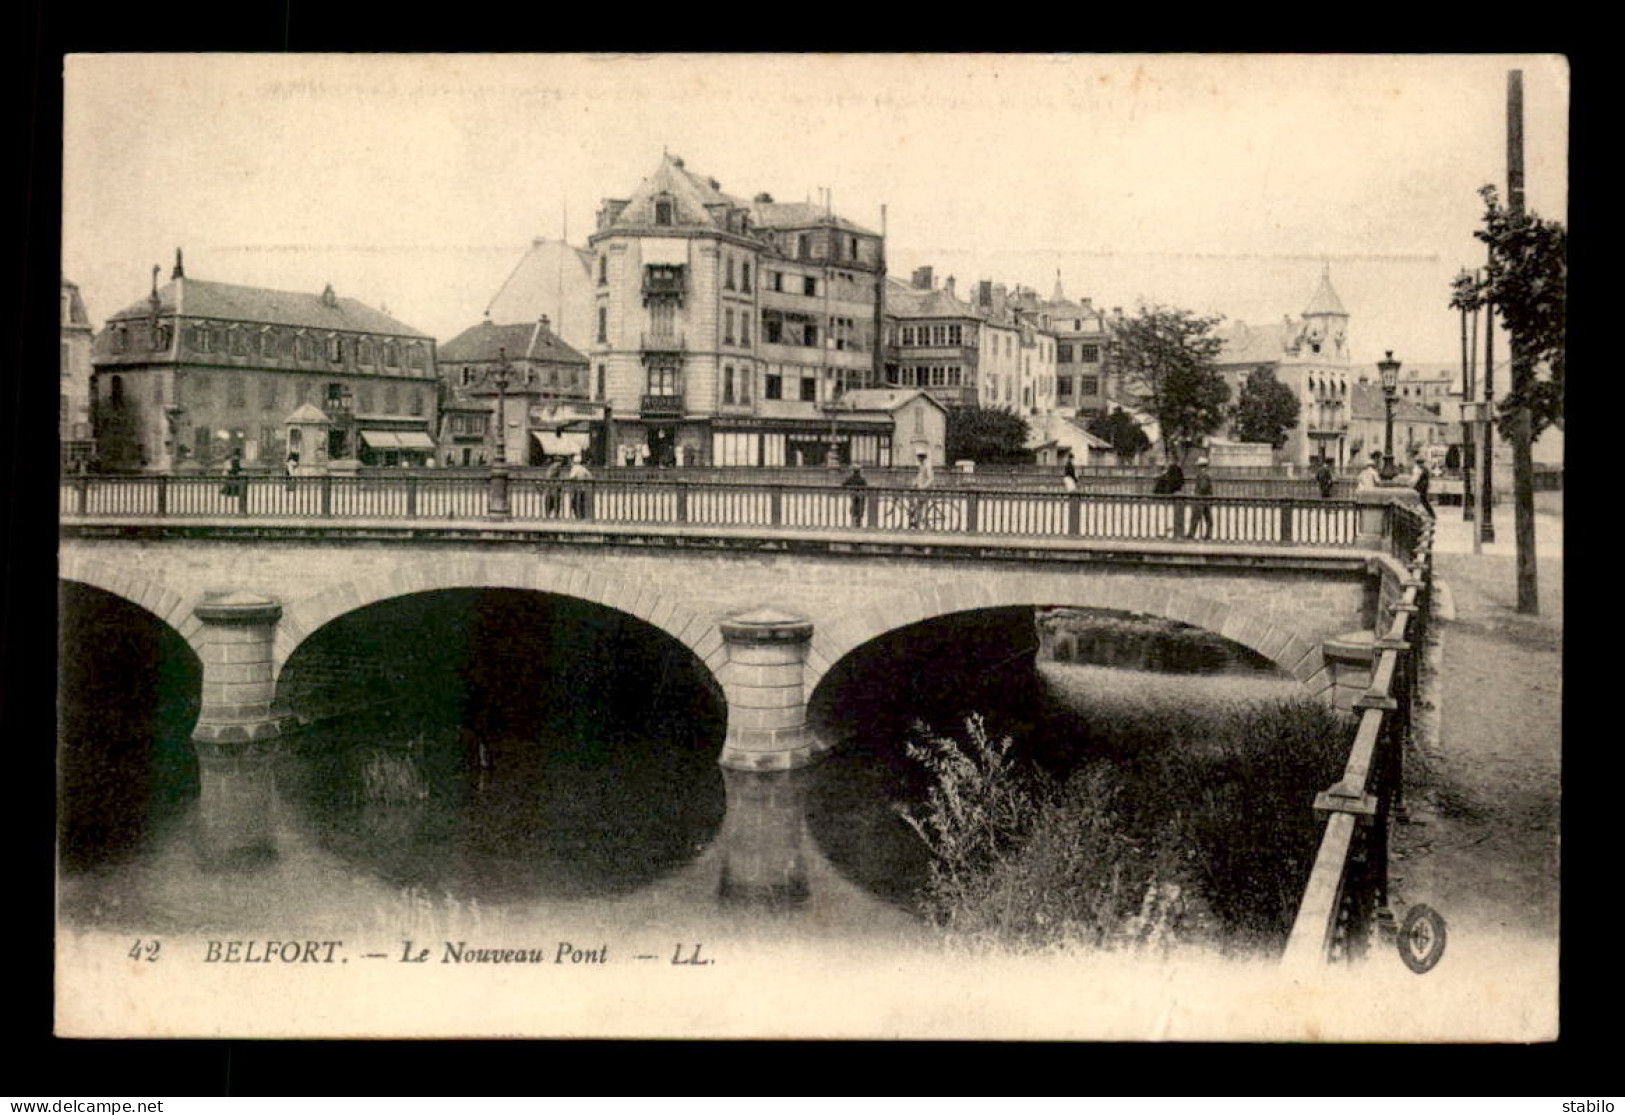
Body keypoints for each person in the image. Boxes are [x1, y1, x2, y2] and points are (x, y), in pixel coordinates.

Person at [1186, 457, 1214, 539]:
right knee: (1208, 519)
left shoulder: (1202, 475)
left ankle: (1191, 534)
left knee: (1196, 517)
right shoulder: (1206, 474)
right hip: (1206, 498)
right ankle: (1208, 535)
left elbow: (1203, 487)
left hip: (1201, 499)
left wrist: (1197, 494)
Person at [1410, 450, 1435, 518]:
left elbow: (1416, 479)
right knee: (1423, 501)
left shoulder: (1419, 469)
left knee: (1421, 500)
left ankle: (1430, 514)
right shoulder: (1425, 469)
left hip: (1420, 487)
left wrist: (1411, 485)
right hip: (1423, 487)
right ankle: (1431, 514)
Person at [566, 454, 592, 519]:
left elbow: (571, 477)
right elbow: (590, 477)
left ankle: (578, 516)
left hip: (576, 488)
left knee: (575, 503)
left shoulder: (575, 468)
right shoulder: (583, 469)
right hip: (583, 489)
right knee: (581, 503)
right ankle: (582, 516)